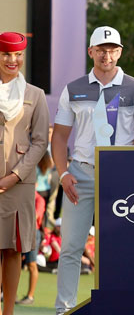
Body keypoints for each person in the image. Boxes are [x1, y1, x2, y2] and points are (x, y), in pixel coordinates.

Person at [52, 26, 134, 314]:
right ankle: (64, 309)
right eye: (101, 49)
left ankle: (117, 307)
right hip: (80, 175)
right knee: (70, 247)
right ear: (90, 51)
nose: (107, 54)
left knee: (120, 249)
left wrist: (130, 170)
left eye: (112, 49)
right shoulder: (74, 88)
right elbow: (59, 137)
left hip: (121, 177)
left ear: (119, 52)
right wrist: (63, 174)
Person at [0, 32, 49, 315]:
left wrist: (15, 176)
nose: (12, 60)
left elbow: (40, 142)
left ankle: (8, 312)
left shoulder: (35, 95)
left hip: (19, 184)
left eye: (17, 55)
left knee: (14, 249)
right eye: (6, 54)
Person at [15, 191, 46, 305]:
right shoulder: (21, 195)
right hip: (19, 230)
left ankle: (30, 296)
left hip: (32, 233)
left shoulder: (39, 199)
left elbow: (35, 216)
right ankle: (9, 293)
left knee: (32, 264)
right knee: (13, 261)